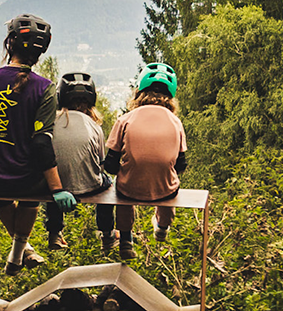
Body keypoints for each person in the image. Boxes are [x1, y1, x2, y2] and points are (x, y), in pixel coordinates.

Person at [0, 14, 78, 276]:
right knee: (35, 191)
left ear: (10, 44)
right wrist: (58, 189)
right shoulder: (45, 88)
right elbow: (41, 143)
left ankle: (21, 254)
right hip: (23, 181)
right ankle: (19, 250)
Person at [104, 63, 187, 261]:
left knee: (121, 188)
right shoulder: (176, 122)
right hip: (164, 190)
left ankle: (125, 240)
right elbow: (181, 165)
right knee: (170, 183)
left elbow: (110, 165)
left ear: (139, 91)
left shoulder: (125, 119)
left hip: (130, 188)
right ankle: (162, 228)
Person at [44, 72, 117, 252]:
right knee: (108, 185)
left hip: (54, 186)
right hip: (88, 186)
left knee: (54, 179)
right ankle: (107, 234)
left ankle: (55, 233)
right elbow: (99, 162)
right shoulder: (94, 126)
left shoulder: (51, 120)